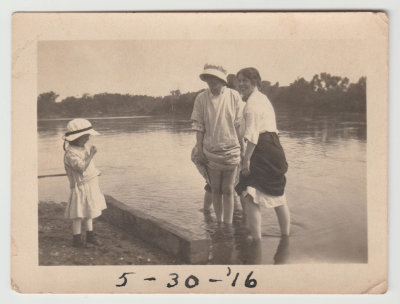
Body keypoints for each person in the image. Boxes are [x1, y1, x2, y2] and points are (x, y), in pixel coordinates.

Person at [235, 67, 290, 240]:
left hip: (262, 149)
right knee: (278, 195)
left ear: (255, 81)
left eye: (245, 80)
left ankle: (256, 240)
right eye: (239, 81)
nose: (241, 84)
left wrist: (245, 162)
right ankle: (285, 237)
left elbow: (252, 136)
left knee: (249, 194)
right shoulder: (262, 98)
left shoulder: (252, 104)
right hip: (274, 148)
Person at [191, 64, 244, 224]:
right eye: (208, 81)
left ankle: (227, 224)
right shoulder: (201, 98)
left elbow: (238, 124)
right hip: (211, 150)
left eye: (214, 81)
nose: (211, 84)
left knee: (228, 189)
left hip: (231, 150)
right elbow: (199, 127)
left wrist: (242, 148)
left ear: (222, 81)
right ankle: (220, 222)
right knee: (215, 188)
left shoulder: (234, 96)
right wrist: (199, 150)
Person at [63, 118, 107, 247]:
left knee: (90, 210)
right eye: (86, 136)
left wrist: (96, 172)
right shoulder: (70, 154)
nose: (88, 139)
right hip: (80, 187)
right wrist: (92, 154)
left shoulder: (83, 148)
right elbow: (82, 167)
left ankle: (90, 236)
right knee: (78, 213)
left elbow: (89, 167)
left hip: (90, 184)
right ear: (77, 138)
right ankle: (77, 239)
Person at [191, 145, 213, 212]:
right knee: (212, 183)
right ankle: (206, 210)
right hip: (207, 152)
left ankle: (207, 210)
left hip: (214, 151)